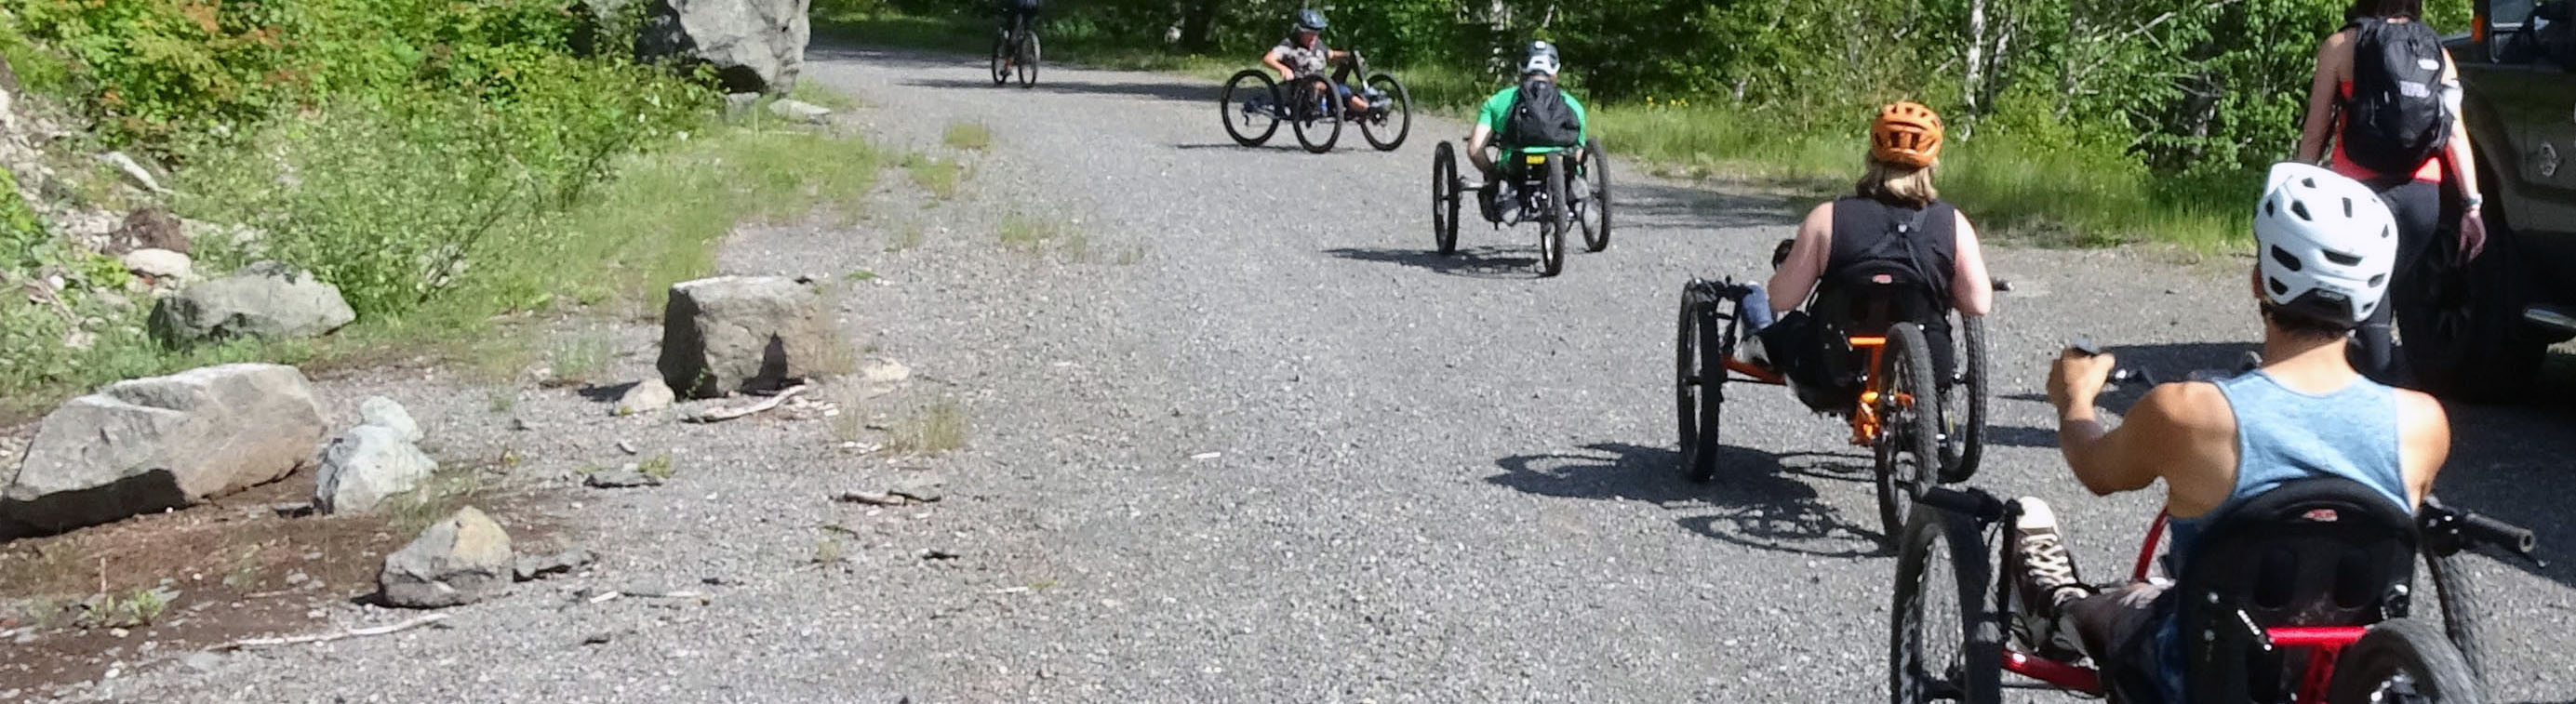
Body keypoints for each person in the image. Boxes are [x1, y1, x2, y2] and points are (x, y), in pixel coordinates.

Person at [2011, 163, 2450, 700]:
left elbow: (2096, 470)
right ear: (2373, 295)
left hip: (2201, 673)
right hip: (2350, 681)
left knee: (2124, 603)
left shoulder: (2188, 412)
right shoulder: (2423, 423)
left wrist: (2074, 398)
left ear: (2259, 281)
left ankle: (2057, 602)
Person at [1728, 101, 1993, 409]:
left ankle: (1754, 330)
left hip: (1830, 366)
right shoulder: (1953, 223)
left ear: (1872, 156)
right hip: (1926, 367)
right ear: (1932, 163)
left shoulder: (1828, 217)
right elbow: (1978, 304)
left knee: (1788, 325)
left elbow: (1783, 299)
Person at [2294, 0, 2488, 382]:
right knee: (2385, 289)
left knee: (2370, 301)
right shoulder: (2438, 53)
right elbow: (2453, 133)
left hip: (2360, 196)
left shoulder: (2340, 46)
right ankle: (2367, 384)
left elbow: (2316, 130)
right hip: (2422, 199)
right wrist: (2472, 206)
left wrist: (2297, 189)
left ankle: (2376, 396)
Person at [1464, 41, 1590, 221]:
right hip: (1560, 164)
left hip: (1516, 163)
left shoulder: (1499, 101)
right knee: (1570, 166)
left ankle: (1508, 192)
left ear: (1521, 69)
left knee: (1506, 172)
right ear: (1555, 71)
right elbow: (1579, 150)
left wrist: (1492, 173)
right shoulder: (1572, 105)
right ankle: (1575, 194)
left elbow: (1475, 149)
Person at [1262, 10, 1368, 116]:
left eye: (1316, 33)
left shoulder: (1317, 43)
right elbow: (1268, 59)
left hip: (1325, 86)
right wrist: (1283, 68)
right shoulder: (1289, 45)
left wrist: (1349, 55)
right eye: (1310, 33)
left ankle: (1367, 93)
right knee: (1335, 89)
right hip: (1304, 92)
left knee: (1349, 61)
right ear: (1301, 31)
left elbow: (1330, 54)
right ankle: (1365, 107)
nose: (1314, 36)